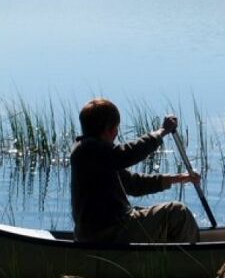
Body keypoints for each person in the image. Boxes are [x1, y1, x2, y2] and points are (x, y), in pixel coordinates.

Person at [70, 98, 201, 243]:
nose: (116, 134)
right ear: (109, 129)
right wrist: (162, 132)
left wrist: (180, 178)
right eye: (116, 128)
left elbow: (134, 184)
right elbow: (127, 153)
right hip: (110, 231)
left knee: (146, 213)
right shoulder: (88, 150)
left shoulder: (97, 154)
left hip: (107, 229)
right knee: (178, 213)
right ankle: (193, 259)